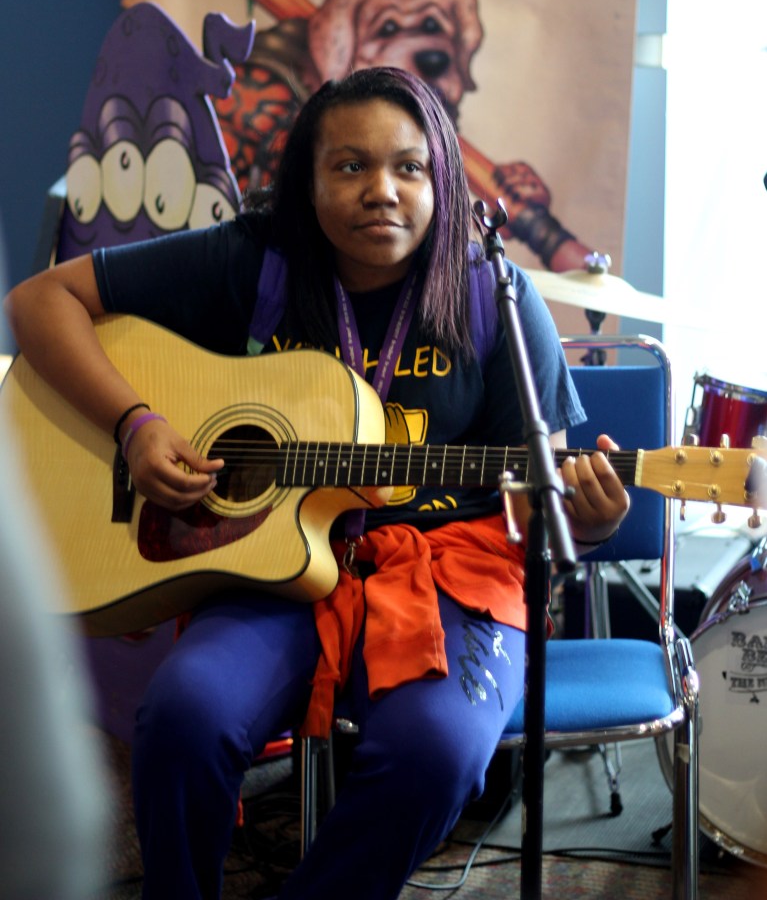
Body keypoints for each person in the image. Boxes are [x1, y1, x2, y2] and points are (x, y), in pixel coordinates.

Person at [4, 66, 629, 900]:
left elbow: (537, 501)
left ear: (442, 180)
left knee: (434, 756)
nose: (382, 190)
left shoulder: (496, 297)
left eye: (409, 168)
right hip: (273, 568)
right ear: (308, 179)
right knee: (184, 718)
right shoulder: (253, 260)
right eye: (350, 166)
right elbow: (41, 301)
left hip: (443, 576)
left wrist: (586, 524)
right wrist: (137, 424)